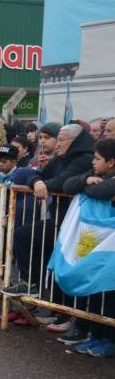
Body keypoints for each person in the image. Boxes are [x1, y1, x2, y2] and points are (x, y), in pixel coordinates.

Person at [4, 123, 95, 340]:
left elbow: (65, 183)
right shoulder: (60, 158)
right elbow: (36, 175)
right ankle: (36, 288)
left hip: (76, 227)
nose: (55, 143)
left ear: (74, 141)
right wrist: (36, 181)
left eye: (60, 139)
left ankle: (70, 317)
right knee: (26, 237)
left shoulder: (83, 158)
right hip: (58, 222)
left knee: (66, 269)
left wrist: (43, 183)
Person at [60, 138, 115, 357]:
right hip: (99, 244)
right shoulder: (97, 176)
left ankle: (109, 338)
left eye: (98, 159)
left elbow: (100, 191)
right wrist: (86, 179)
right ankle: (96, 334)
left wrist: (92, 186)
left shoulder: (107, 180)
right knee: (95, 290)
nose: (93, 162)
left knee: (109, 293)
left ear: (111, 162)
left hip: (109, 247)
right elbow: (67, 185)